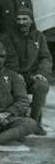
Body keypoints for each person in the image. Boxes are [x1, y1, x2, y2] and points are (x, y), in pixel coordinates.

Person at [9, 7, 50, 135]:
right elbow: (9, 58)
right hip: (14, 75)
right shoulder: (9, 36)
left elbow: (46, 57)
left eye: (25, 19)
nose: (21, 22)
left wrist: (41, 73)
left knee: (42, 86)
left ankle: (34, 121)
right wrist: (15, 74)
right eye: (19, 19)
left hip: (32, 76)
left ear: (31, 20)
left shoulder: (38, 36)